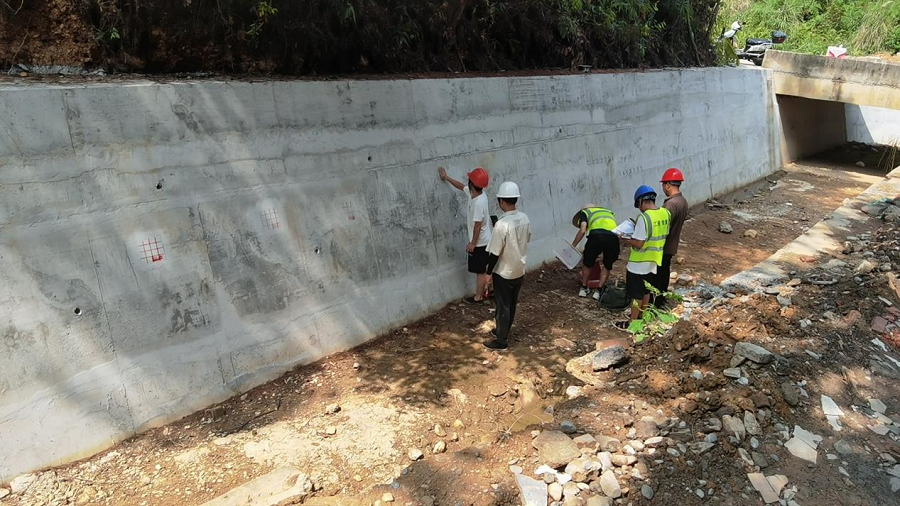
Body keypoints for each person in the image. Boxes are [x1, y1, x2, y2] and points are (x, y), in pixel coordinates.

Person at [484, 182, 531, 350]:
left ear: (501, 201)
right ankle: (503, 330)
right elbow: (527, 238)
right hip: (519, 268)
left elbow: (494, 253)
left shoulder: (501, 225)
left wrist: (488, 273)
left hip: (504, 271)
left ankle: (501, 340)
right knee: (511, 303)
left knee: (502, 305)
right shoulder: (524, 218)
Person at [616, 185, 670, 329]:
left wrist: (625, 239)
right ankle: (642, 317)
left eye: (638, 205)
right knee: (646, 291)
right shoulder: (665, 213)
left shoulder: (644, 218)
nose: (639, 209)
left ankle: (632, 323)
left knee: (636, 295)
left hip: (638, 263)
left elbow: (639, 244)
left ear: (641, 201)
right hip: (654, 260)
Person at [438, 166, 493, 304]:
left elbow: (477, 225)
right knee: (486, 267)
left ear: (472, 184)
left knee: (480, 271)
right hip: (486, 239)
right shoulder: (477, 194)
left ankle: (479, 297)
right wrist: (447, 177)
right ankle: (491, 290)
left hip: (480, 242)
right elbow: (462, 187)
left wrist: (473, 243)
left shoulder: (478, 203)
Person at [653, 168, 688, 307]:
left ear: (668, 185)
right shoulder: (682, 201)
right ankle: (662, 298)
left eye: (663, 185)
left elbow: (663, 225)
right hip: (672, 244)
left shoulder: (670, 204)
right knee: (664, 272)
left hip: (663, 244)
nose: (663, 188)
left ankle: (657, 302)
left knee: (658, 274)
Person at [570, 204, 619, 300]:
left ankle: (584, 288)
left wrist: (573, 245)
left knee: (587, 263)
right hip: (613, 238)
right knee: (607, 265)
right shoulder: (608, 212)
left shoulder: (585, 212)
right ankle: (599, 291)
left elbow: (582, 230)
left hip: (596, 237)